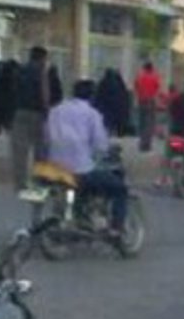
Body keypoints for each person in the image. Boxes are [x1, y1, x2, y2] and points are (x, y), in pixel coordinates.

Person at [46, 79, 126, 235]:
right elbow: (100, 144)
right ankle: (116, 228)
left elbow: (46, 136)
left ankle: (79, 214)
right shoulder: (91, 114)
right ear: (92, 96)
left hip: (54, 168)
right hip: (79, 170)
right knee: (119, 189)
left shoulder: (55, 111)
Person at [9, 46, 58, 192]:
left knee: (19, 152)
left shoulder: (19, 71)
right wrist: (47, 110)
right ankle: (39, 181)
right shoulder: (41, 72)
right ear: (42, 58)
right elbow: (45, 94)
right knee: (41, 149)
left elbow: (12, 91)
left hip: (20, 112)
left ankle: (20, 184)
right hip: (37, 114)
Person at [134, 61, 161, 152]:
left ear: (144, 68)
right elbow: (157, 87)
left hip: (142, 101)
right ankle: (147, 144)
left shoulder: (139, 76)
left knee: (142, 122)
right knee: (149, 124)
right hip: (151, 101)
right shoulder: (155, 76)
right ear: (151, 68)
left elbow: (136, 87)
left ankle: (141, 143)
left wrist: (140, 95)